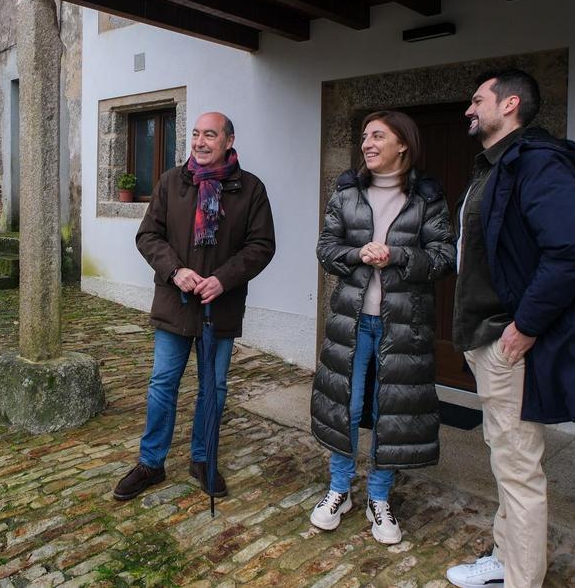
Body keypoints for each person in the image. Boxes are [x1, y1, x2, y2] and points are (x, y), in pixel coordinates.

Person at [445, 70, 575, 588]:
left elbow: (574, 253)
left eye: (477, 99)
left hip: (508, 341)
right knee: (507, 461)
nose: (469, 108)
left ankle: (521, 578)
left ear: (509, 104)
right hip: (486, 337)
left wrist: (523, 327)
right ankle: (506, 561)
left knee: (518, 470)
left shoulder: (538, 163)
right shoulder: (495, 166)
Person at [113, 111, 276, 502]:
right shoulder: (172, 182)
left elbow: (261, 246)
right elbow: (148, 235)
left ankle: (203, 459)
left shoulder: (249, 189)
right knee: (162, 385)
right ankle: (151, 463)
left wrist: (223, 279)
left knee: (213, 389)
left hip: (219, 307)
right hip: (175, 301)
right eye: (196, 134)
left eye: (210, 135)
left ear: (228, 141)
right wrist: (175, 271)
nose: (200, 142)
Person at [310, 110, 456, 545]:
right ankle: (339, 490)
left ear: (403, 144)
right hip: (351, 322)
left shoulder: (427, 198)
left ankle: (379, 498)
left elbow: (445, 257)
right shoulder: (347, 193)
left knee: (389, 413)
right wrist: (357, 256)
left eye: (378, 136)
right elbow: (326, 248)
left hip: (403, 326)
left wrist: (398, 256)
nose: (367, 144)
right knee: (347, 408)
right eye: (364, 137)